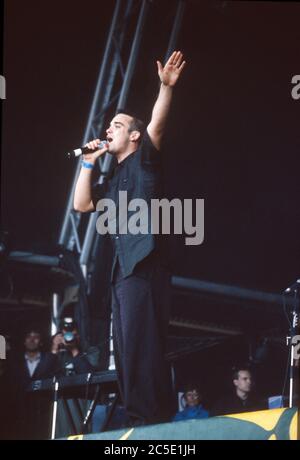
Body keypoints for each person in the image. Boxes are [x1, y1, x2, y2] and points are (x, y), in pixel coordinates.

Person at [74, 51, 186, 425]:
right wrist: (89, 162)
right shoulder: (112, 180)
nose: (110, 129)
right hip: (122, 274)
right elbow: (81, 204)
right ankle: (141, 417)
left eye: (117, 125)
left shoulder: (145, 161)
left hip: (145, 267)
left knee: (142, 346)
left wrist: (165, 88)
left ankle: (149, 422)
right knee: (125, 350)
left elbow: (157, 124)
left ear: (134, 135)